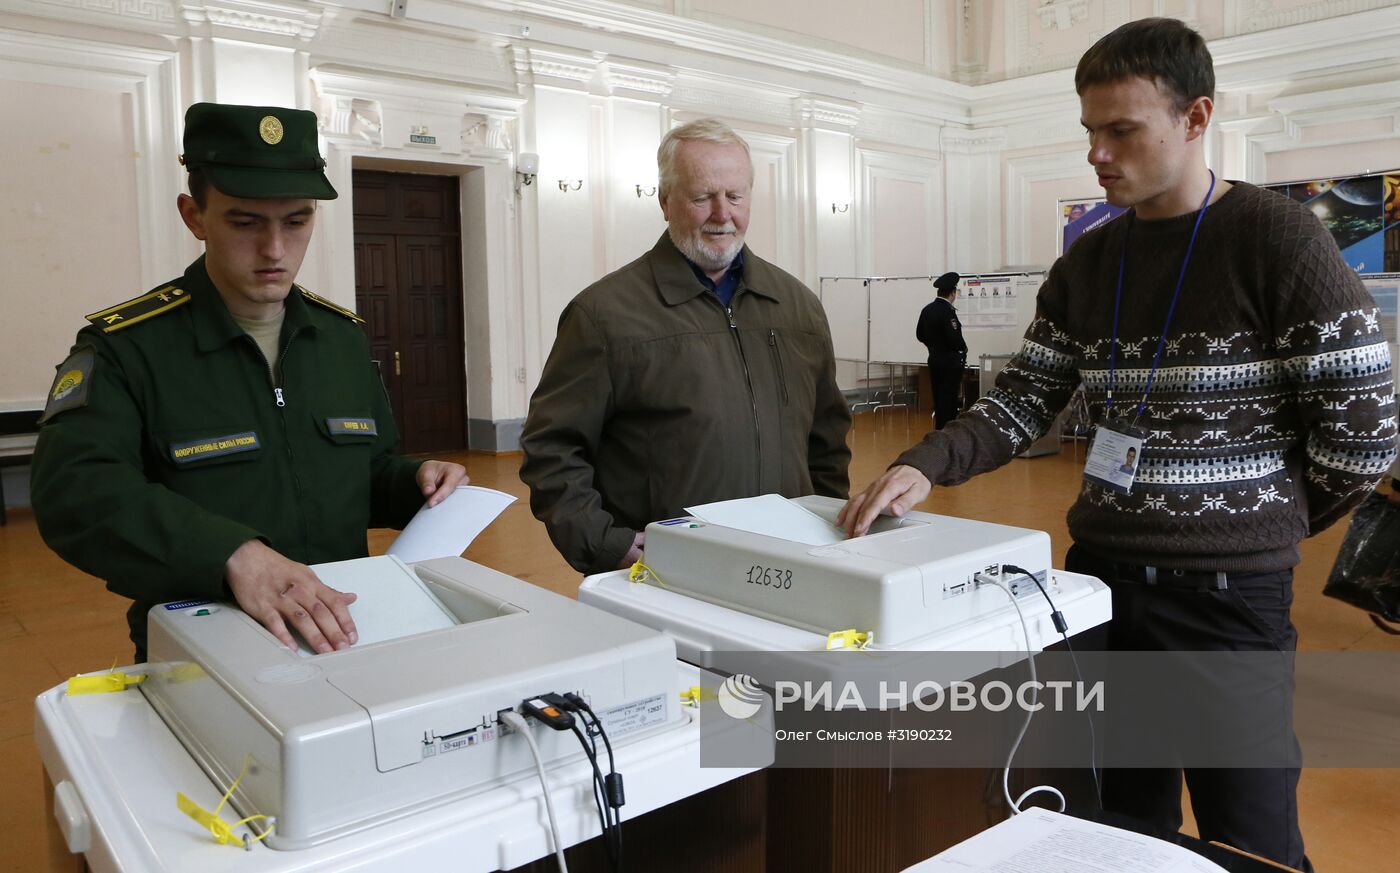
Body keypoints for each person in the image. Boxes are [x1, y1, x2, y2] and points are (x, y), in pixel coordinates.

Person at [838, 18, 1395, 871]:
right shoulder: (1091, 262)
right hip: (1100, 586)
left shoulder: (1275, 239)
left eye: (1122, 129)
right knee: (1115, 827)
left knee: (1250, 837)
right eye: (1090, 131)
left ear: (1196, 116)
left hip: (1227, 603)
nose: (1098, 152)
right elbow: (1023, 401)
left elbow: (1363, 428)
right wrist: (926, 462)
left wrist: (1265, 520)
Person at [31, 103, 468, 662]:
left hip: (340, 630)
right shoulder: (126, 347)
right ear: (194, 216)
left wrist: (416, 482)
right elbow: (75, 492)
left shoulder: (340, 340)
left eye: (296, 221)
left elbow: (367, 471)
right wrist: (232, 554)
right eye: (245, 222)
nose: (274, 251)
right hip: (206, 646)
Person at [520, 118, 852, 574]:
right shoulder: (604, 315)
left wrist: (827, 521)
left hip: (789, 562)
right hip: (670, 568)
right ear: (664, 201)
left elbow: (827, 439)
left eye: (735, 196)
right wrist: (600, 541)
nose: (722, 214)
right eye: (702, 197)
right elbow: (552, 446)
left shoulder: (798, 308)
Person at [915, 271, 967, 429]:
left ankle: (940, 430)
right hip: (949, 363)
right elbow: (954, 339)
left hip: (934, 360)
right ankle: (947, 432)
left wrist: (933, 346)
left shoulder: (927, 310)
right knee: (949, 399)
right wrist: (962, 348)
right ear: (952, 293)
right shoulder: (947, 312)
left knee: (938, 398)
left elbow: (919, 334)